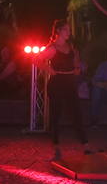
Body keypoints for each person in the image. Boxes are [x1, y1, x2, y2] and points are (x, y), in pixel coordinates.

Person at [38, 20, 90, 158]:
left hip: (69, 82)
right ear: (58, 31)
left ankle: (85, 144)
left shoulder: (71, 47)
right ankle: (56, 148)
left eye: (69, 30)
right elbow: (36, 59)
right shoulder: (52, 48)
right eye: (66, 30)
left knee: (76, 113)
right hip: (57, 83)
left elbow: (76, 62)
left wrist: (77, 68)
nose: (69, 32)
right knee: (56, 115)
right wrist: (49, 69)